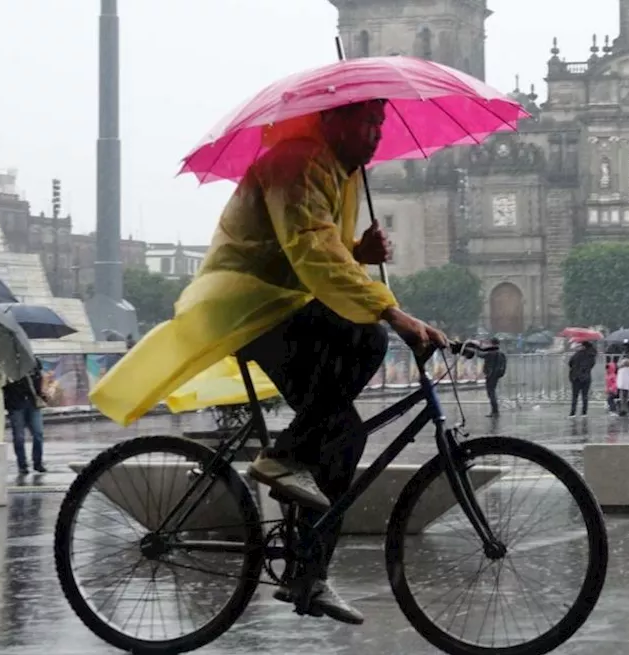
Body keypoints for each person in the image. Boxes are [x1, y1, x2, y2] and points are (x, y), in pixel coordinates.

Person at [90, 100, 448, 626]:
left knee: (342, 434)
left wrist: (357, 251)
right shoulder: (298, 162)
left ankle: (309, 573)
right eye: (365, 121)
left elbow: (319, 248)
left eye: (380, 123)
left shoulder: (339, 173)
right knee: (369, 340)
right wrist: (394, 313)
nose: (376, 133)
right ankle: (281, 458)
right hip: (246, 304)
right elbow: (311, 254)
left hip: (282, 303)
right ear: (332, 121)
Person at [3, 366, 46, 473]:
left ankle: (38, 463)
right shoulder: (8, 364)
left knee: (38, 434)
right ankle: (22, 465)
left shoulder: (32, 361)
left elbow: (39, 378)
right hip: (15, 404)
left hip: (32, 403)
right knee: (19, 437)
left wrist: (41, 392)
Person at [568, 341, 596, 417]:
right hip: (586, 377)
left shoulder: (577, 354)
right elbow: (591, 365)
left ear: (583, 346)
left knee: (575, 396)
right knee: (585, 396)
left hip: (576, 377)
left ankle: (572, 413)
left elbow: (570, 363)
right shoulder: (592, 355)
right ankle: (584, 412)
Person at [482, 337, 506, 417]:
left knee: (491, 393)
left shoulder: (491, 353)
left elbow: (480, 354)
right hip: (496, 375)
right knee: (492, 392)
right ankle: (495, 411)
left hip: (490, 374)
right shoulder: (501, 353)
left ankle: (495, 411)